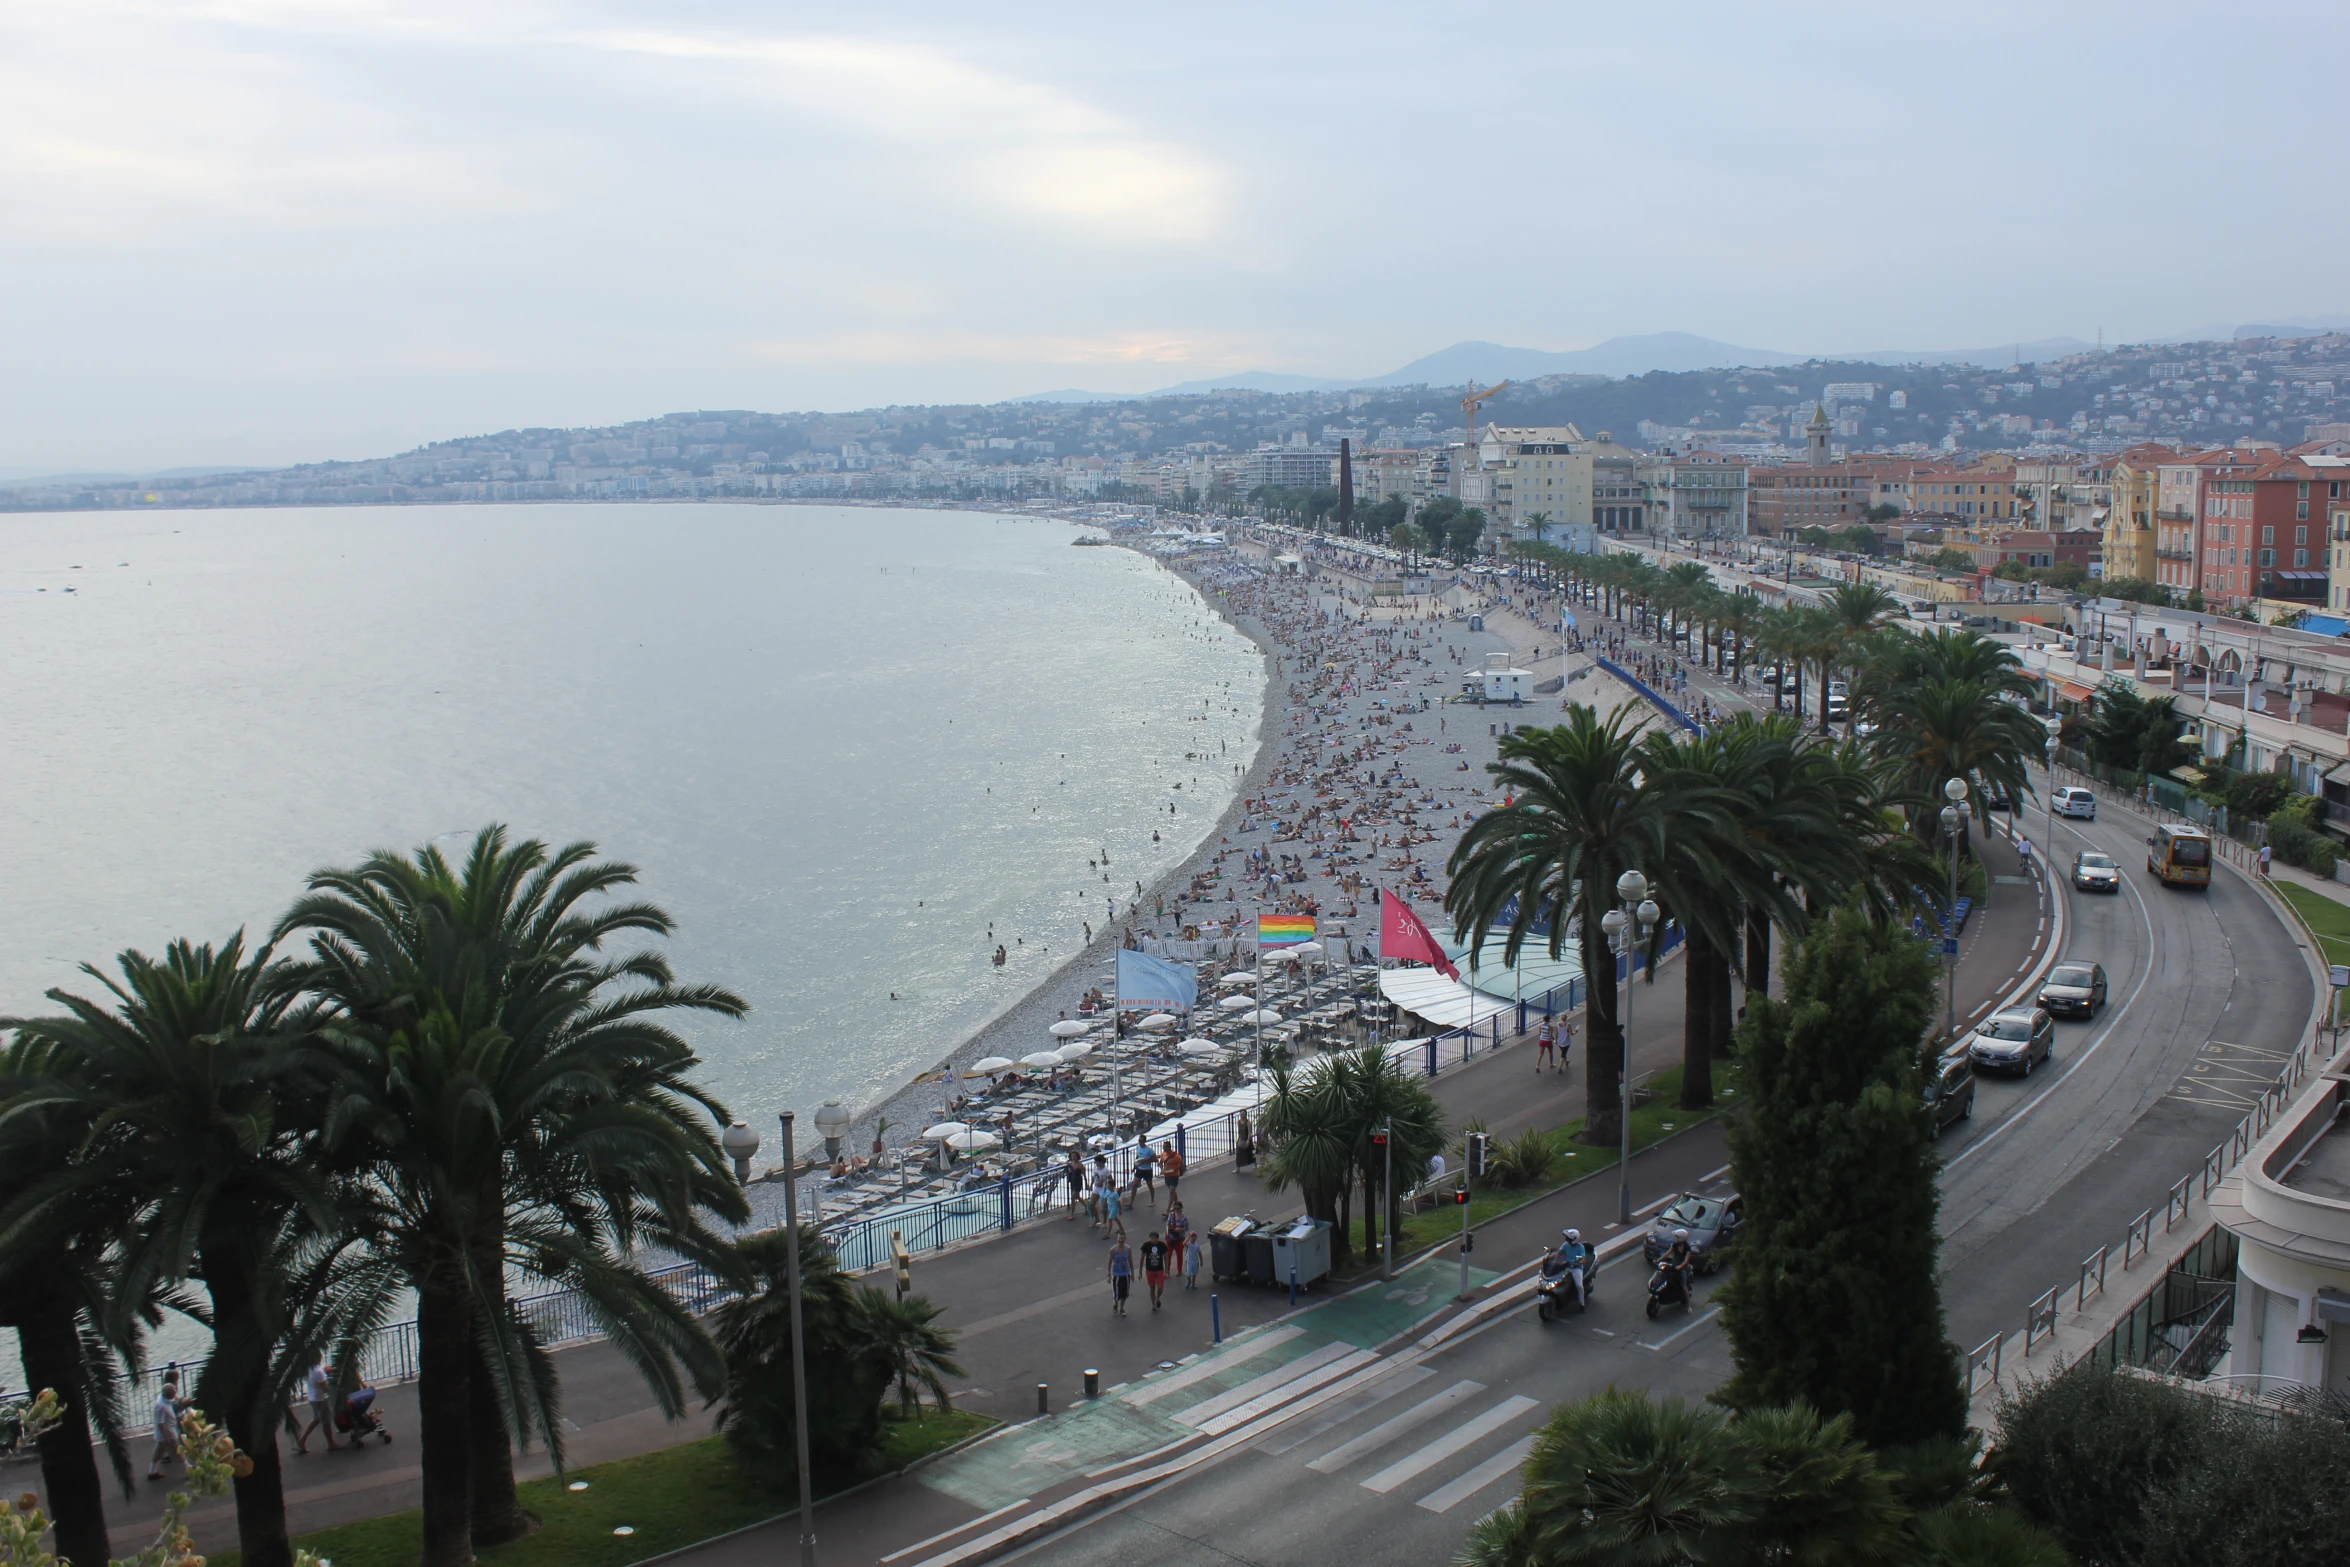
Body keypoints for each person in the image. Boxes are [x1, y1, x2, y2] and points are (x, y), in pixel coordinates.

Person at [291, 1351, 343, 1454]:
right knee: (326, 1421)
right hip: (320, 1399)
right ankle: (331, 1443)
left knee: (316, 1419)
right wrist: (328, 1376)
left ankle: (302, 1441)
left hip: (312, 1398)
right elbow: (324, 1387)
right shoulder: (318, 1371)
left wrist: (324, 1371)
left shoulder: (308, 1369)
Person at [148, 1371, 189, 1480]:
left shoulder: (164, 1398)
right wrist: (166, 1437)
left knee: (157, 1454)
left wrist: (183, 1400)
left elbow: (176, 1398)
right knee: (179, 1453)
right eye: (173, 1393)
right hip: (168, 1434)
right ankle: (189, 1470)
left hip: (166, 1434)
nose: (175, 1394)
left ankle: (152, 1472)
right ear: (169, 1394)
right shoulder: (161, 1406)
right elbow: (160, 1423)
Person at [1549, 1227, 1591, 1306]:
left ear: (1574, 1239)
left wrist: (1576, 1262)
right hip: (1566, 1267)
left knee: (1579, 1285)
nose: (1566, 1240)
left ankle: (1582, 1303)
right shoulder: (1565, 1245)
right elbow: (1559, 1252)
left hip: (1576, 1268)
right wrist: (1552, 1257)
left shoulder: (1580, 1247)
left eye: (1568, 1238)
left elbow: (1582, 1259)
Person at [1657, 1227, 1694, 1303]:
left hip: (1682, 1268)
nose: (1675, 1239)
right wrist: (1658, 1260)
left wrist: (1680, 1266)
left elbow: (1686, 1260)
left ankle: (1688, 1305)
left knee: (1683, 1286)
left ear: (1681, 1238)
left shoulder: (1687, 1248)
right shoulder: (1675, 1245)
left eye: (1677, 1237)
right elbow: (1667, 1253)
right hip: (1674, 1265)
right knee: (1663, 1274)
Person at [1140, 1230, 1171, 1311]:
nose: (1154, 1240)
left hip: (1159, 1270)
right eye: (1152, 1238)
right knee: (1152, 1288)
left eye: (1155, 1238)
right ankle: (1153, 1304)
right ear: (1150, 1238)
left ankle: (1157, 1297)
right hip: (1150, 1270)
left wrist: (1167, 1271)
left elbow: (1166, 1258)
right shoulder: (1146, 1245)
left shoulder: (1162, 1245)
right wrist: (1140, 1271)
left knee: (1160, 1288)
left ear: (1158, 1238)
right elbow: (1142, 1258)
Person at [1107, 1235, 1134, 1316]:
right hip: (1116, 1274)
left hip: (1126, 1274)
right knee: (1116, 1292)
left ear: (1125, 1239)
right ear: (1117, 1239)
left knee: (1125, 1293)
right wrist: (1108, 1274)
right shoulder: (1113, 1249)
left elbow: (1130, 1261)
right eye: (1120, 1238)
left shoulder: (1128, 1249)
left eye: (1122, 1238)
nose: (1121, 1240)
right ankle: (1115, 1303)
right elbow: (1109, 1262)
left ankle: (1122, 1308)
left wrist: (1132, 1273)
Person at [1131, 1139, 1157, 1207]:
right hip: (1139, 1169)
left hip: (1147, 1170)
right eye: (1139, 1141)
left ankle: (1152, 1201)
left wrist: (1148, 1160)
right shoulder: (1138, 1147)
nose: (1140, 1142)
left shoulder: (1149, 1150)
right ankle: (1131, 1202)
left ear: (1144, 1141)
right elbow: (1137, 1157)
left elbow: (1155, 1159)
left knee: (1150, 1185)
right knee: (1134, 1185)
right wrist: (1134, 1166)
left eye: (1141, 1141)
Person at [1063, 1148, 1087, 1219]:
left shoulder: (1080, 1165)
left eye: (1074, 1156)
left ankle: (1072, 1214)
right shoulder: (1071, 1163)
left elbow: (1084, 1174)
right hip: (1072, 1182)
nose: (1073, 1157)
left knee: (1073, 1197)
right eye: (1072, 1156)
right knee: (1077, 1197)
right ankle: (1087, 1207)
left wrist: (1086, 1183)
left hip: (1078, 1182)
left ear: (1077, 1156)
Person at [1184, 1221, 1204, 1289]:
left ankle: (1193, 1283)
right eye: (1192, 1237)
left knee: (1194, 1273)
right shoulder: (1188, 1244)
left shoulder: (1197, 1246)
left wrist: (1201, 1261)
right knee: (1188, 1273)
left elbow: (1200, 1253)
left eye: (1195, 1237)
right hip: (1189, 1261)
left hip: (1195, 1262)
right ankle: (1189, 1281)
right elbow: (1183, 1244)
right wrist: (1188, 1238)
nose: (1194, 1238)